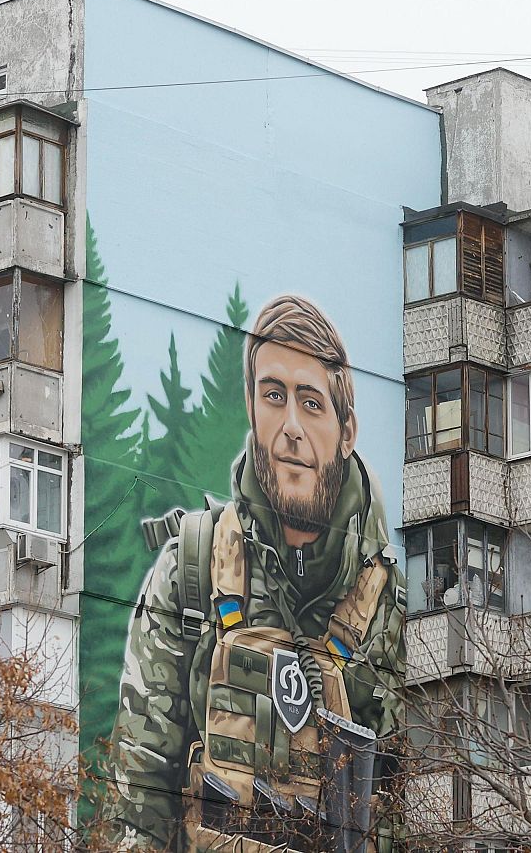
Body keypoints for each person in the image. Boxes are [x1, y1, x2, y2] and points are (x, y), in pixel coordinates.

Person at [106, 295, 406, 852]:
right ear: (250, 407)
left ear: (347, 432)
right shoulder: (190, 569)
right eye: (274, 396)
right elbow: (141, 793)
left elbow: (401, 806)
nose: (290, 426)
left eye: (311, 404)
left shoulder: (386, 601)